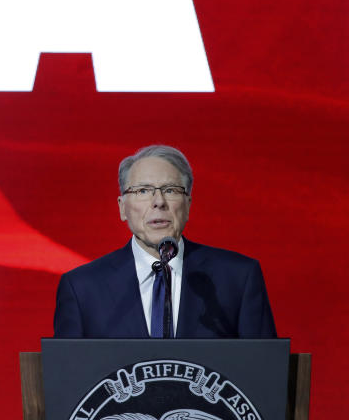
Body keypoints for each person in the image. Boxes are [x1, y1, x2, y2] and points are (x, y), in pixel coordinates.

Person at [53, 144, 276, 338]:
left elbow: (265, 372)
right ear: (122, 207)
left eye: (170, 190)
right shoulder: (82, 289)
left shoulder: (238, 278)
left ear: (188, 204)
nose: (158, 202)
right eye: (143, 190)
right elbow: (69, 377)